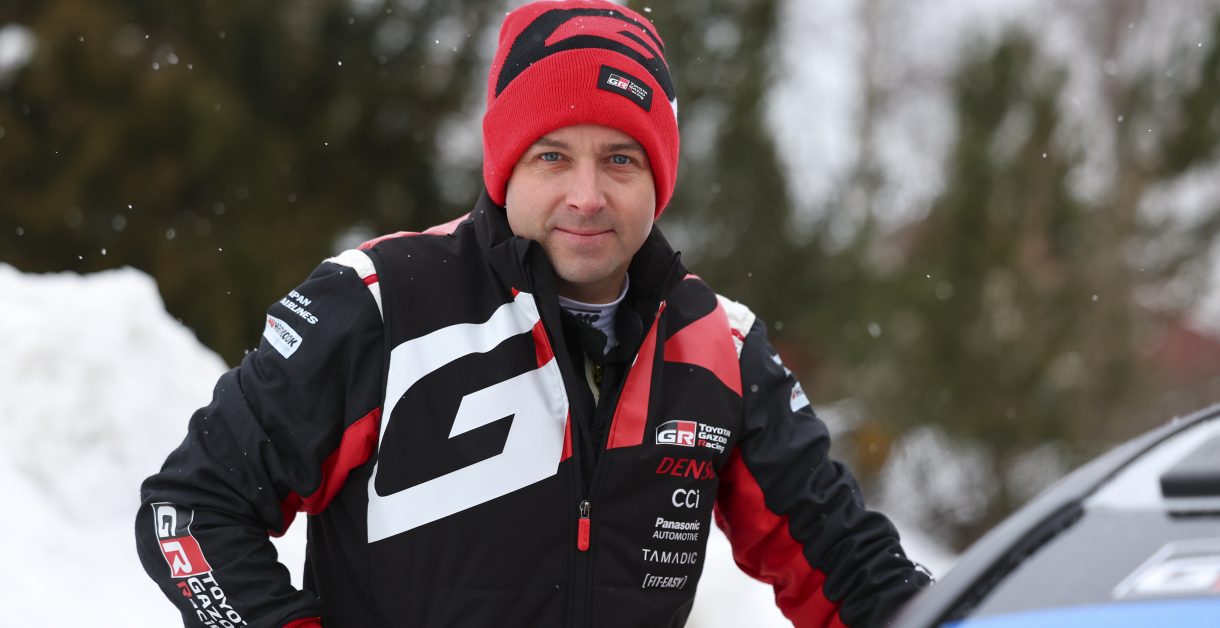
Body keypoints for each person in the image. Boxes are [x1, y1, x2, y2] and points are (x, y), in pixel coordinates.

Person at [135, 1, 932, 626]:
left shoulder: (718, 346)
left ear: (659, 180)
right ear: (505, 166)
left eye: (620, 159)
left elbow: (850, 568)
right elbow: (191, 511)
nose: (587, 196)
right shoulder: (382, 299)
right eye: (553, 156)